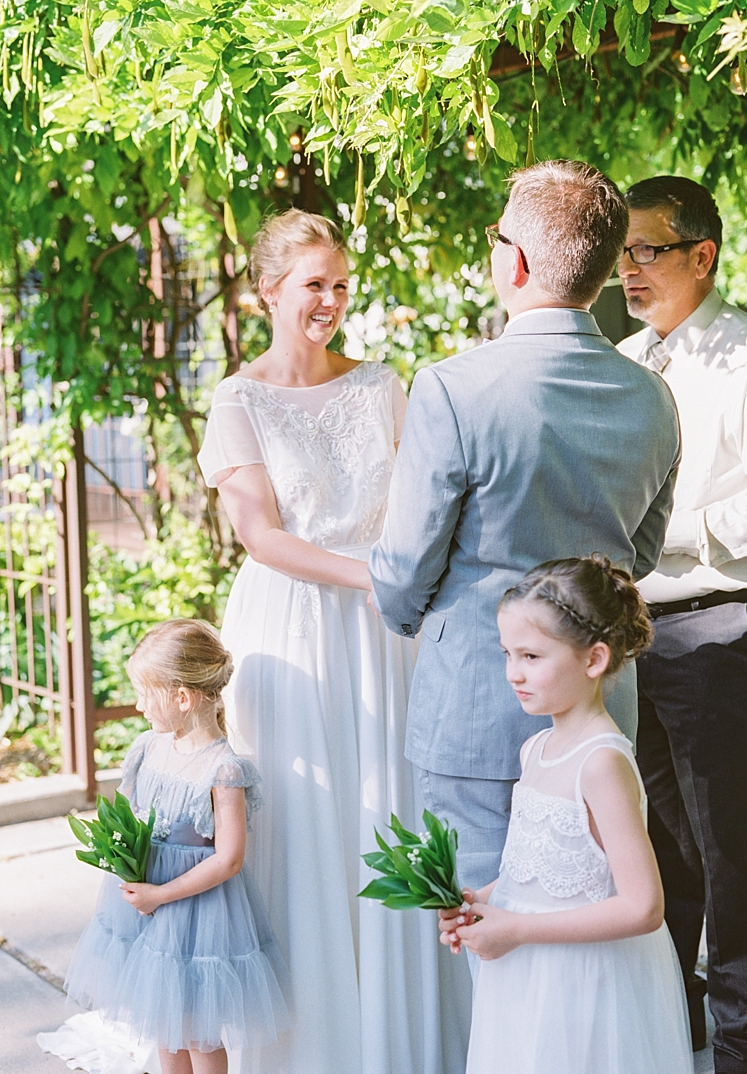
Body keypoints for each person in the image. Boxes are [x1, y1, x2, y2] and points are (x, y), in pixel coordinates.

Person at [197, 209, 469, 1074]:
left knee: (387, 802)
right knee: (304, 822)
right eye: (314, 284)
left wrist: (409, 585)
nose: (332, 300)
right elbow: (264, 539)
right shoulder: (239, 399)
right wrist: (379, 580)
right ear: (267, 290)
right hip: (294, 625)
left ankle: (397, 1037)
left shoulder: (383, 383)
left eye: (342, 283)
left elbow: (417, 505)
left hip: (385, 635)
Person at [369, 160, 682, 900]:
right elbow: (635, 558)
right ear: (607, 269)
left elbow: (405, 567)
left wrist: (424, 619)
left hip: (478, 693)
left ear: (512, 259)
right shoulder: (655, 397)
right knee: (583, 924)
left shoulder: (454, 388)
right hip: (599, 709)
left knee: (485, 933)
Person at [617, 175, 747, 1073]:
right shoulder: (631, 360)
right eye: (621, 253)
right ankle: (674, 1038)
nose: (629, 269)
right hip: (643, 636)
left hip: (730, 627)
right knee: (662, 849)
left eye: (647, 249)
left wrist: (664, 539)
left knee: (736, 852)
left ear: (703, 255)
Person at [438, 557, 693, 1074]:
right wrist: (482, 902)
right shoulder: (535, 749)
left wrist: (517, 930)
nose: (514, 672)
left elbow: (643, 906)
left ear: (594, 659)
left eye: (531, 655)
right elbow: (541, 870)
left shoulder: (601, 762)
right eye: (507, 654)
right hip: (528, 979)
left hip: (586, 985)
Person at [61, 619, 291, 1074]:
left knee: (197, 1032)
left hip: (195, 915)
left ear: (182, 698)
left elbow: (229, 859)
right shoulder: (149, 748)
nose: (139, 705)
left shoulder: (224, 771)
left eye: (146, 694)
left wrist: (159, 895)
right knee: (164, 1022)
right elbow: (126, 815)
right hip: (148, 909)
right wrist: (117, 854)